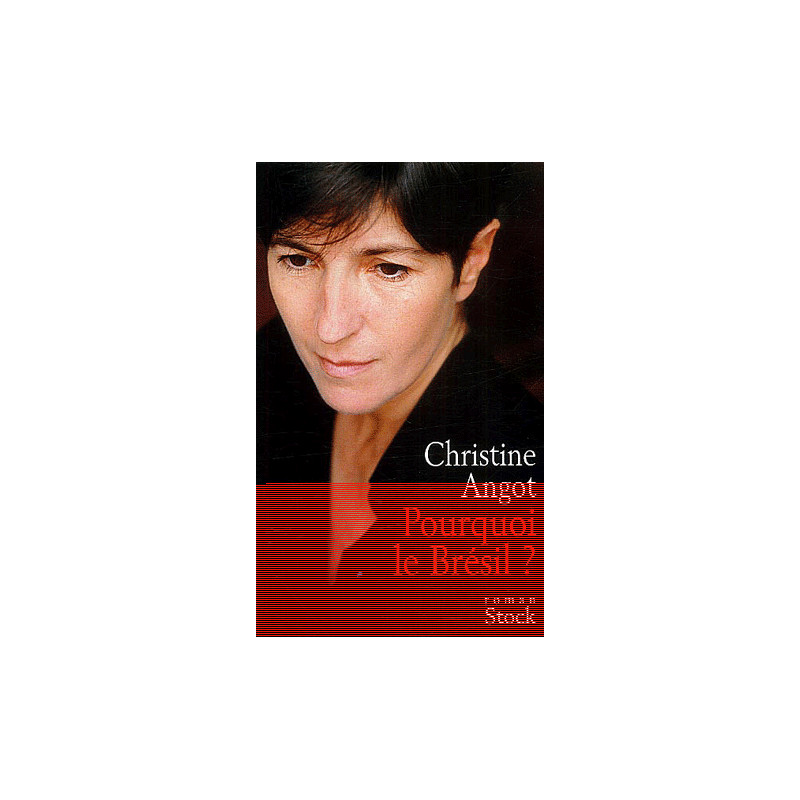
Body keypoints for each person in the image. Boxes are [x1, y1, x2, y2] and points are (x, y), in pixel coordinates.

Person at [257, 163, 543, 584]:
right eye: (298, 260)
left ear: (472, 259)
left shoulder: (520, 482)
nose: (330, 328)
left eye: (389, 269)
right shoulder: (266, 367)